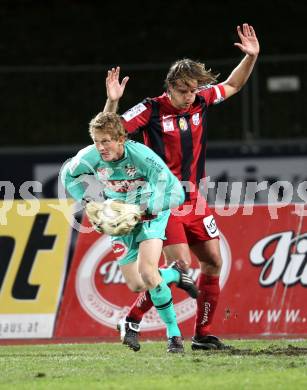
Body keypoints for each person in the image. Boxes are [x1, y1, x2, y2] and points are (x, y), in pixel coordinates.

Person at [103, 24, 260, 350]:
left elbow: (233, 84)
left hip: (194, 197)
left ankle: (202, 335)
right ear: (171, 87)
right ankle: (132, 318)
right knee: (181, 267)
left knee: (213, 262)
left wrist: (251, 58)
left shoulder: (201, 100)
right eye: (184, 91)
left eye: (194, 91)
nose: (190, 97)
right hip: (161, 201)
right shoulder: (151, 109)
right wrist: (112, 102)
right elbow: (109, 131)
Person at [60, 112, 199, 353]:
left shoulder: (142, 156)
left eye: (106, 141)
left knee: (147, 272)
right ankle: (174, 274)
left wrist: (148, 208)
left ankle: (174, 335)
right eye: (97, 141)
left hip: (149, 212)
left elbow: (176, 192)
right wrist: (88, 201)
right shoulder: (89, 157)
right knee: (136, 284)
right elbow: (67, 175)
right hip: (117, 215)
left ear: (121, 139)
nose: (101, 147)